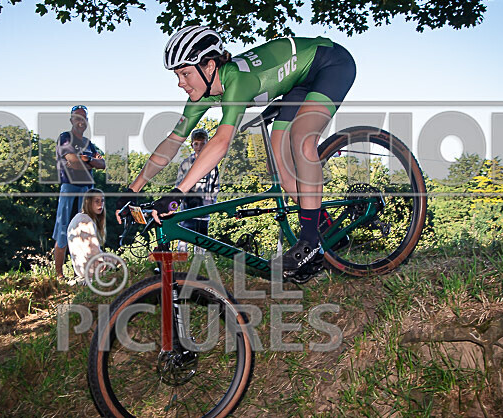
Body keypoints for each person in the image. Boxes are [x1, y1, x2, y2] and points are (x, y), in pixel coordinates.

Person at [116, 26, 356, 279]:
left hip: (330, 63)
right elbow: (173, 142)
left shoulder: (237, 80)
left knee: (302, 138)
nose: (180, 83)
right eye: (177, 75)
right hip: (298, 84)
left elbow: (221, 142)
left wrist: (178, 192)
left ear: (209, 67)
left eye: (185, 73)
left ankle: (309, 242)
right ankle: (326, 227)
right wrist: (133, 188)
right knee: (282, 172)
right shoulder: (202, 95)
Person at [52, 105, 106, 279]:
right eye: (77, 117)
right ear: (71, 120)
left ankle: (89, 271)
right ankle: (59, 275)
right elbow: (73, 161)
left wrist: (86, 159)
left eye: (83, 118)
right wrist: (89, 163)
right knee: (63, 229)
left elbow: (103, 164)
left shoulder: (88, 144)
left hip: (87, 189)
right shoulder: (65, 138)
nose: (80, 121)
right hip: (69, 187)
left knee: (88, 229)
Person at [175, 128, 220, 253]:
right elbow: (178, 186)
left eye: (203, 143)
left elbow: (215, 187)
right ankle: (182, 265)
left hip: (204, 210)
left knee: (201, 241)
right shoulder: (185, 164)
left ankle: (199, 266)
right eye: (196, 144)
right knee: (183, 239)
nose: (199, 147)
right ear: (192, 145)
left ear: (207, 144)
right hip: (187, 209)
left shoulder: (212, 164)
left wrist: (210, 203)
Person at [67, 188, 111, 281]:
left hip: (81, 268)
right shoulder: (86, 221)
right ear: (89, 202)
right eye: (97, 201)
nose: (101, 204)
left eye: (102, 201)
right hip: (90, 269)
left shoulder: (79, 217)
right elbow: (93, 249)